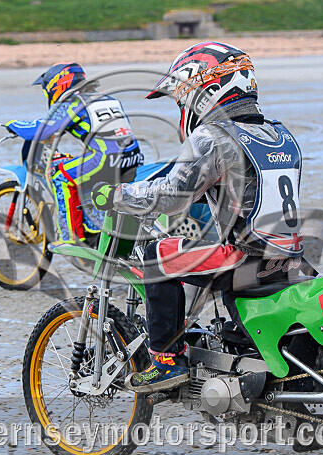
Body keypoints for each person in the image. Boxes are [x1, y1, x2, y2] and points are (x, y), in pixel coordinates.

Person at [90, 42, 305, 393]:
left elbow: (172, 197)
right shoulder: (280, 135)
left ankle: (165, 361)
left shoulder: (213, 136)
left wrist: (118, 195)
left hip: (244, 260)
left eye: (182, 99)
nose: (182, 108)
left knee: (157, 255)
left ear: (203, 88)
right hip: (289, 259)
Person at [5, 62, 143, 245]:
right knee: (78, 168)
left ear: (57, 85)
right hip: (133, 158)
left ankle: (70, 238)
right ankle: (93, 223)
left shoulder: (73, 102)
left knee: (61, 176)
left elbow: (42, 129)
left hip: (106, 160)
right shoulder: (106, 98)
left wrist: (13, 124)